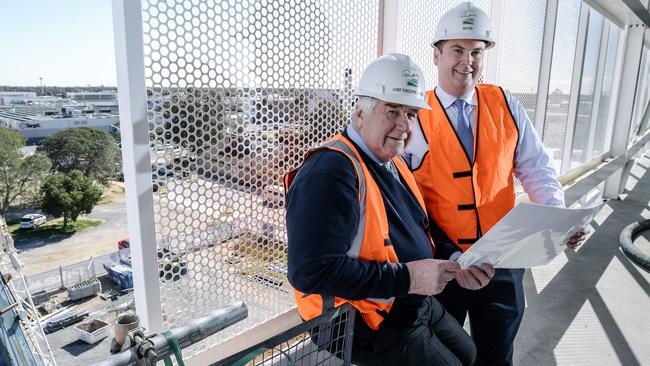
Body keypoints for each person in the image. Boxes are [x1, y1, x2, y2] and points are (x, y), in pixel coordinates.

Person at [403, 3, 588, 365]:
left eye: (476, 51)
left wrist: (559, 220)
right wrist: (449, 257)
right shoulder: (414, 115)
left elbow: (537, 169)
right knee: (443, 357)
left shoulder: (506, 105)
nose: (467, 61)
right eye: (457, 50)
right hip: (443, 265)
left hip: (502, 261)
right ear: (437, 54)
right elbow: (404, 203)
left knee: (497, 355)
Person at [286, 53, 484, 365]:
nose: (404, 125)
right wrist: (409, 278)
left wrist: (458, 260)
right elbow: (309, 272)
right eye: (392, 110)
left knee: (470, 355)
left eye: (412, 114)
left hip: (409, 301)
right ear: (360, 114)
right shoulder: (330, 172)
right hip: (366, 322)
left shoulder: (394, 164)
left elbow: (421, 227)